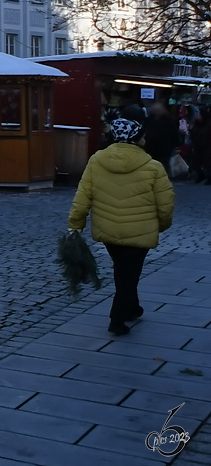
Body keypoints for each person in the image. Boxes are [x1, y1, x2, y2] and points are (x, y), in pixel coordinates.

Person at [69, 115, 175, 336]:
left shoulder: (96, 161)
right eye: (141, 135)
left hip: (107, 230)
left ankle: (132, 307)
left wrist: (75, 224)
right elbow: (166, 204)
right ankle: (117, 319)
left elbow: (82, 197)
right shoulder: (153, 167)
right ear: (135, 139)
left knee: (124, 271)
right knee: (129, 273)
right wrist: (161, 225)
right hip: (139, 231)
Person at [143, 99, 179, 171]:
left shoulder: (168, 120)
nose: (157, 112)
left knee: (163, 167)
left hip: (164, 149)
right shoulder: (149, 120)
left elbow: (174, 133)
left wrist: (176, 145)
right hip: (151, 149)